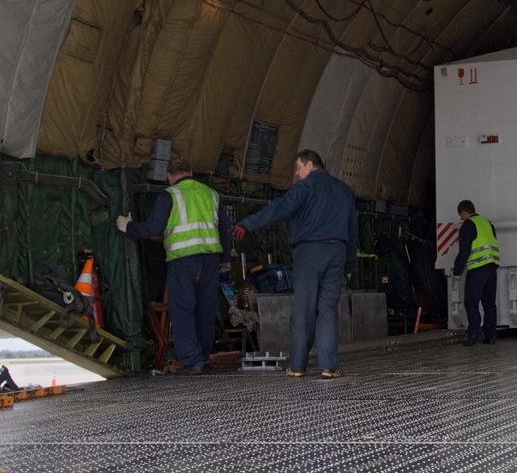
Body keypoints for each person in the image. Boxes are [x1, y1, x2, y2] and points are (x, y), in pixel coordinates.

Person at [231, 150, 357, 379]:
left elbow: (279, 208)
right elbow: (352, 230)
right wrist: (348, 262)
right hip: (337, 252)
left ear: (310, 164)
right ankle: (329, 367)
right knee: (328, 309)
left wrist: (248, 224)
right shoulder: (344, 190)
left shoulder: (306, 186)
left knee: (303, 308)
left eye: (299, 168)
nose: (297, 174)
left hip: (310, 251)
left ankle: (298, 366)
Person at [117, 156, 230, 375]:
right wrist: (224, 260)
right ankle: (203, 356)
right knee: (205, 309)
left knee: (182, 310)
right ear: (191, 173)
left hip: (183, 259)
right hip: (210, 259)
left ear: (169, 176)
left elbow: (153, 228)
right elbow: (225, 229)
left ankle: (191, 360)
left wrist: (128, 227)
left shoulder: (170, 195)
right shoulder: (211, 194)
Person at [452, 199, 500, 346]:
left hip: (478, 268)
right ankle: (490, 335)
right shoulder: (488, 223)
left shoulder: (468, 225)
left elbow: (464, 251)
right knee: (489, 303)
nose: (461, 218)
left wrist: (457, 271)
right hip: (492, 267)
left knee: (471, 301)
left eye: (460, 215)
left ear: (463, 212)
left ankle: (474, 333)